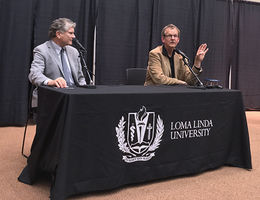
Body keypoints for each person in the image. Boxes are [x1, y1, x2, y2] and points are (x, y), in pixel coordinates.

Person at [28, 18, 86, 108]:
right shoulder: (42, 50)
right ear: (58, 34)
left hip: (74, 98)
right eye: (70, 33)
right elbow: (34, 74)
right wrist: (51, 82)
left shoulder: (74, 52)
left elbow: (80, 78)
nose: (74, 36)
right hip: (52, 99)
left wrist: (85, 94)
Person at [144, 24, 208, 86]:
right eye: (169, 35)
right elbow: (158, 79)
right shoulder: (155, 54)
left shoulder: (180, 56)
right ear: (163, 39)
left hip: (174, 92)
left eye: (175, 36)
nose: (172, 38)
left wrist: (197, 62)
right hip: (155, 92)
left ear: (178, 40)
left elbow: (190, 81)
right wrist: (179, 82)